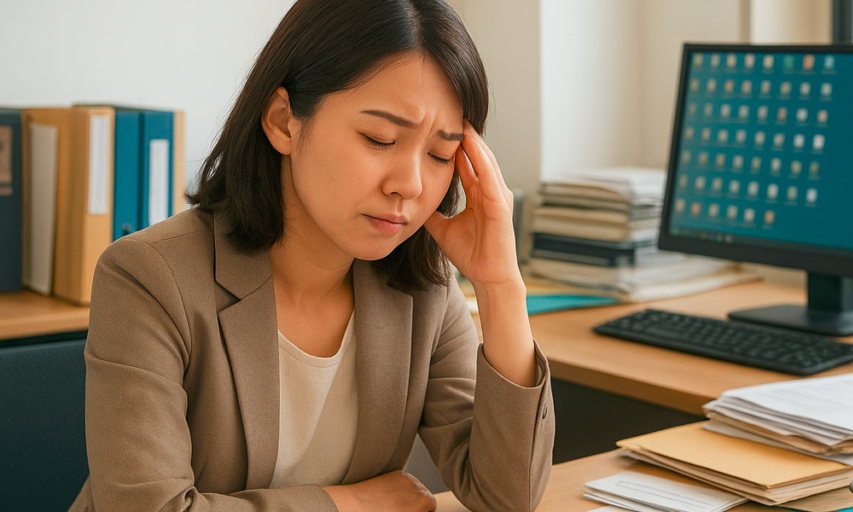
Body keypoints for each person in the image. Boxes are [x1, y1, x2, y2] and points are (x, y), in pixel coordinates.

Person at [69, 0, 554, 510]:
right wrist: (352, 505)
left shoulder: (422, 289)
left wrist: (500, 285)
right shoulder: (148, 277)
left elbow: (507, 495)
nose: (409, 185)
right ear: (283, 122)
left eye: (439, 154)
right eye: (379, 138)